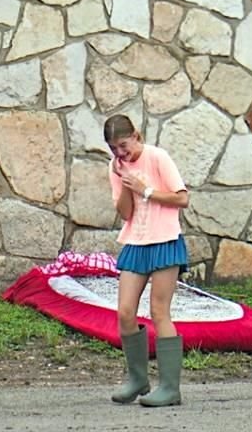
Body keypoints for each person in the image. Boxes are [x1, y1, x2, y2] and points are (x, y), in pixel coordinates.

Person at [104, 114, 189, 407]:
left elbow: (182, 199)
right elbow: (126, 214)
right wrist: (127, 183)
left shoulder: (157, 158)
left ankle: (169, 388)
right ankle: (138, 379)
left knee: (159, 310)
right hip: (135, 241)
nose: (120, 153)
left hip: (165, 240)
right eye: (114, 148)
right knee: (125, 312)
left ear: (136, 136)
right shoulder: (116, 167)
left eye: (124, 146)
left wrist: (146, 190)